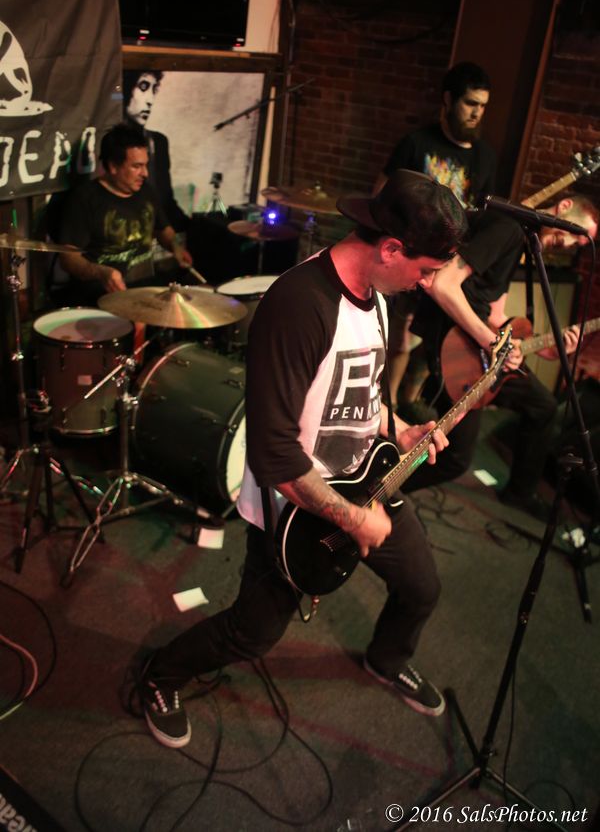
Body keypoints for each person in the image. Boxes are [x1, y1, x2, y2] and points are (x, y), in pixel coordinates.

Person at [139, 170, 468, 749]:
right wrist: (353, 519)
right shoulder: (300, 304)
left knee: (421, 587)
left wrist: (400, 429)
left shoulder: (378, 298)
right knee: (252, 634)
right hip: (296, 509)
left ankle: (387, 659)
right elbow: (274, 455)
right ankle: (159, 675)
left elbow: (361, 397)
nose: (425, 285)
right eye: (424, 271)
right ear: (391, 248)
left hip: (366, 483)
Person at [400, 195, 599, 518]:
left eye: (580, 242)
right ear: (564, 207)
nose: (573, 243)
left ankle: (519, 493)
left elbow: (496, 314)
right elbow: (443, 284)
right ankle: (378, 498)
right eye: (576, 232)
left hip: (477, 347)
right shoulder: (507, 227)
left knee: (543, 406)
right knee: (454, 458)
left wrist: (548, 349)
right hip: (455, 347)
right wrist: (494, 343)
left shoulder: (521, 240)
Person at [374, 62, 497, 411]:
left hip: (450, 268)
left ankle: (408, 406)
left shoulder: (486, 157)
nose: (477, 113)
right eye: (470, 103)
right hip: (410, 259)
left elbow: (483, 218)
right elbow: (381, 195)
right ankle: (387, 412)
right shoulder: (416, 144)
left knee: (431, 348)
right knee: (399, 342)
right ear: (448, 100)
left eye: (483, 106)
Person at [58, 122, 193, 306]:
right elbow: (68, 259)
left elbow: (163, 229)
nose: (145, 173)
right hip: (101, 297)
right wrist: (102, 273)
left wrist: (175, 246)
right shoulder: (85, 199)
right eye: (137, 166)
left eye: (146, 165)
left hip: (145, 291)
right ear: (113, 166)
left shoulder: (146, 191)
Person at [122, 69, 192, 235]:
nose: (150, 100)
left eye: (154, 90)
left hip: (158, 230)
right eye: (143, 87)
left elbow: (165, 200)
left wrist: (193, 229)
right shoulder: (108, 143)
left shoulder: (158, 142)